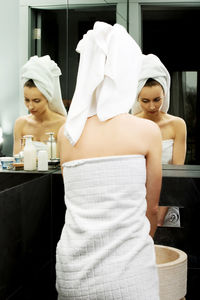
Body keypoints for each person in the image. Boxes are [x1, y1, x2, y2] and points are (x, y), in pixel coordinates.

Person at [56, 22, 162, 299]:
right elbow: (151, 212)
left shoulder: (66, 134)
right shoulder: (147, 132)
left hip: (73, 276)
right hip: (129, 278)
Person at [132, 54, 187, 226]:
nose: (152, 106)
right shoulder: (130, 124)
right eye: (145, 101)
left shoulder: (177, 125)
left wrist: (159, 216)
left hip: (168, 200)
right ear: (137, 98)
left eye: (157, 100)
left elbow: (177, 174)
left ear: (165, 94)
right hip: (137, 202)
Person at [13, 55, 67, 155]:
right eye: (26, 100)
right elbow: (16, 162)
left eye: (36, 101)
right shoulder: (20, 124)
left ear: (48, 98)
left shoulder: (62, 124)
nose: (30, 106)